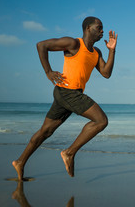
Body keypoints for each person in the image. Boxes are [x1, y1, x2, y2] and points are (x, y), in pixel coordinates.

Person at [12, 16, 118, 181]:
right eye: (99, 27)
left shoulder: (97, 52)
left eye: (102, 28)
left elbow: (106, 73)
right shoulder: (73, 44)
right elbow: (42, 45)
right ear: (88, 28)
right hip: (68, 92)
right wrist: (48, 71)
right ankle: (69, 152)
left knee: (46, 131)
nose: (102, 31)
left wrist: (112, 50)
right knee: (101, 121)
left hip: (68, 94)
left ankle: (20, 162)